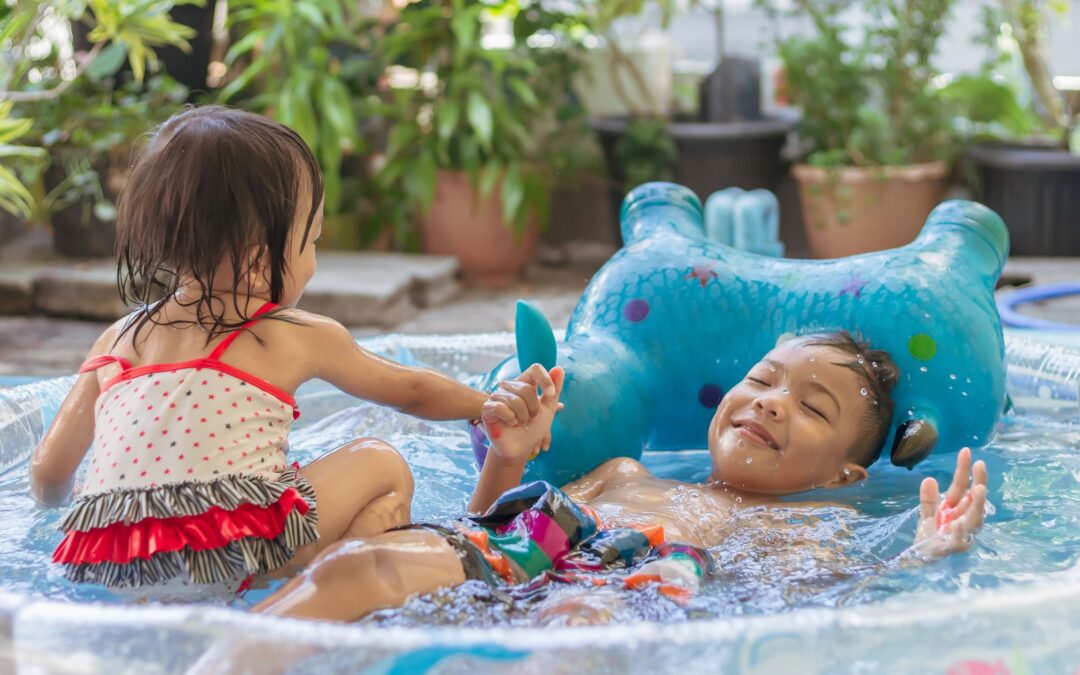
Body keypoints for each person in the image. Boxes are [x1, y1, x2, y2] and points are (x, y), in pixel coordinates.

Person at [27, 106, 535, 596]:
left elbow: (48, 474)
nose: (313, 262)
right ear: (256, 263)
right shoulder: (289, 333)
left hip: (109, 555)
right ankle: (335, 596)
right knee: (381, 466)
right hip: (236, 549)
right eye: (311, 242)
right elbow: (411, 389)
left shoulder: (116, 340)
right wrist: (487, 404)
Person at [249, 332, 989, 622]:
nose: (771, 401)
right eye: (763, 378)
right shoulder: (623, 471)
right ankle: (209, 652)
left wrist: (920, 556)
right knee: (356, 563)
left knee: (579, 624)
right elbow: (484, 530)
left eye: (812, 407)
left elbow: (818, 603)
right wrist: (509, 455)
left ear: (844, 472)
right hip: (538, 540)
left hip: (634, 581)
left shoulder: (799, 522)